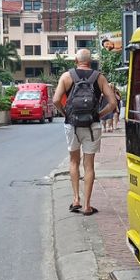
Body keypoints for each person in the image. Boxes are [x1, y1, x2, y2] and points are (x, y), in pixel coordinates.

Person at [53, 49, 117, 216]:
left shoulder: (66, 76)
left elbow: (55, 100)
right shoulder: (99, 77)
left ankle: (76, 199)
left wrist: (65, 113)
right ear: (90, 61)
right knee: (89, 165)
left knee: (74, 161)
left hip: (72, 125)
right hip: (92, 125)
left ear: (76, 60)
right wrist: (99, 115)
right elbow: (112, 103)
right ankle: (87, 206)